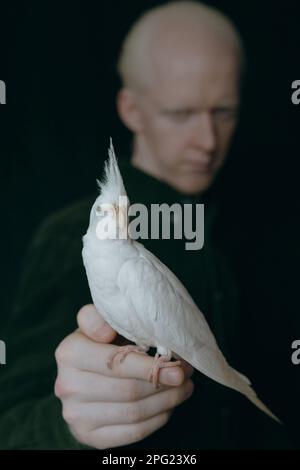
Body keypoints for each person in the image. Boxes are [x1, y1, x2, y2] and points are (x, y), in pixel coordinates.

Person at [0, 1, 290, 449]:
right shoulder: (66, 237)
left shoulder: (262, 227)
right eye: (181, 113)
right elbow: (12, 427)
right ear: (130, 109)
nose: (207, 141)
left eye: (224, 112)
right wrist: (68, 423)